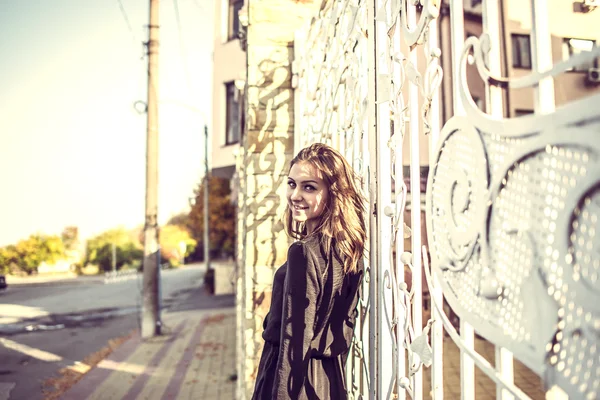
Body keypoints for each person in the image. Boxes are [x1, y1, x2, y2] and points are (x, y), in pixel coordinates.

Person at [252, 143, 367, 400]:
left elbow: (295, 341)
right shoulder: (348, 250)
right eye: (292, 184)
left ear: (333, 193)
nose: (295, 195)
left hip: (294, 381)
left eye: (309, 187)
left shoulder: (304, 252)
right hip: (328, 380)